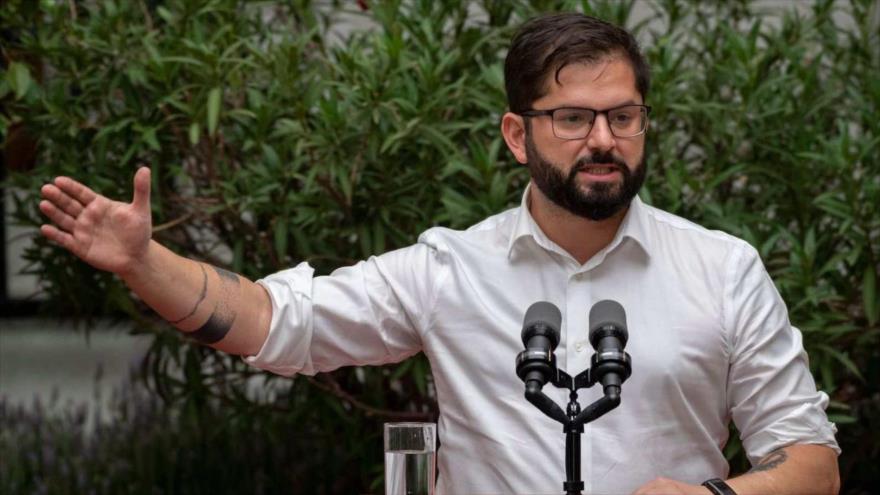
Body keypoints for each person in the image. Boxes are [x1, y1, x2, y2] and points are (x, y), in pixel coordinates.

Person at [38, 12, 839, 495]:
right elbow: (274, 322)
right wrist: (145, 263)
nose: (603, 139)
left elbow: (812, 465)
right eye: (573, 118)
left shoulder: (722, 267)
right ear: (516, 133)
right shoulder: (450, 268)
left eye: (623, 116)